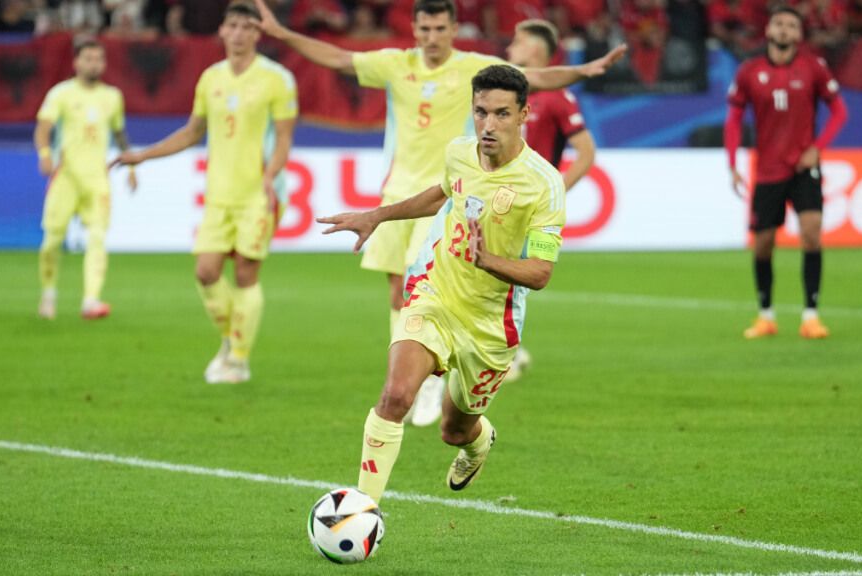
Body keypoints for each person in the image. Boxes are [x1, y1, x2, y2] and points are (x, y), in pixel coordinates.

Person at [253, 0, 624, 426]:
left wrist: (584, 70)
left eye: (439, 28)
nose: (431, 37)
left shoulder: (474, 67)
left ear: (453, 29)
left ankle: (433, 381)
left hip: (454, 195)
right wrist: (282, 35)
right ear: (414, 28)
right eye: (424, 28)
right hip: (399, 191)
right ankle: (416, 372)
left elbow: (535, 78)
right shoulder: (394, 63)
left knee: (430, 285)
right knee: (399, 291)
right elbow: (337, 58)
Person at [320, 65, 566, 503]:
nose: (489, 125)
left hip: (490, 322)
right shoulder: (459, 153)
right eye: (481, 112)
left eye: (502, 114)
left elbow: (541, 274)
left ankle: (477, 441)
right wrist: (376, 215)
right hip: (434, 293)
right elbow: (442, 193)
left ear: (525, 114)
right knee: (396, 396)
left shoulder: (544, 184)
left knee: (453, 429)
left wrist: (485, 259)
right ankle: (363, 508)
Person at [115, 2, 297, 384]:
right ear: (222, 31)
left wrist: (271, 175)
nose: (239, 33)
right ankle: (232, 341)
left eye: (248, 27)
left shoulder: (277, 79)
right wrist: (144, 155)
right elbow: (192, 131)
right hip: (218, 193)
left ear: (257, 34)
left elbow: (283, 138)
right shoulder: (210, 78)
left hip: (258, 194)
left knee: (246, 273)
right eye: (233, 26)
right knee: (206, 271)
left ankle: (239, 359)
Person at [725, 6, 848, 340]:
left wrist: (817, 148)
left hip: (803, 167)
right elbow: (734, 119)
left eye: (791, 25)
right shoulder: (749, 71)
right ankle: (766, 316)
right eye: (778, 24)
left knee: (811, 232)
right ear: (767, 31)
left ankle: (811, 316)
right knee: (763, 245)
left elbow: (839, 112)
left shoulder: (814, 68)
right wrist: (732, 164)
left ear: (799, 34)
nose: (783, 30)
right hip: (767, 170)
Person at [503, 18, 597, 382]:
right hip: (499, 199)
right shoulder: (504, 92)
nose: (510, 46)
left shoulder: (557, 97)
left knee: (510, 279)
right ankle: (511, 350)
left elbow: (586, 153)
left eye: (517, 40)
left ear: (536, 51)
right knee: (495, 279)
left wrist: (552, 193)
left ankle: (507, 354)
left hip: (529, 207)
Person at [35, 38, 136, 321]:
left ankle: (91, 300)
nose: (94, 64)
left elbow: (119, 133)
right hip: (66, 177)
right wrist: (44, 154)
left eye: (99, 59)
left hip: (97, 179)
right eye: (88, 58)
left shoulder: (112, 97)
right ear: (76, 62)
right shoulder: (62, 94)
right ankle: (49, 291)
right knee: (52, 241)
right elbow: (43, 128)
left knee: (97, 238)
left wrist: (131, 167)